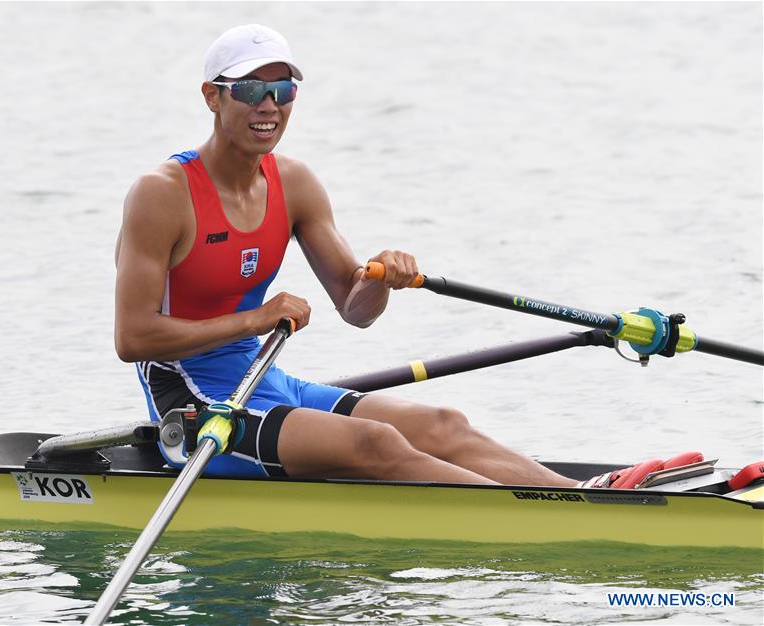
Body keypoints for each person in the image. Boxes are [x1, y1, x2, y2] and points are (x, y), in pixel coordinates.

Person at [114, 24, 690, 488]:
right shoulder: (162, 195)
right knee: (379, 444)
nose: (270, 106)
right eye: (249, 90)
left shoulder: (295, 183)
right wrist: (256, 319)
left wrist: (381, 278)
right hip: (197, 406)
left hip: (268, 382)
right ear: (212, 96)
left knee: (445, 424)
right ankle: (537, 521)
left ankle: (575, 499)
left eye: (283, 90)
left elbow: (355, 308)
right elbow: (132, 339)